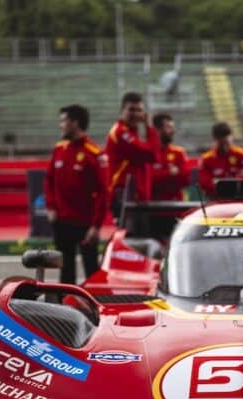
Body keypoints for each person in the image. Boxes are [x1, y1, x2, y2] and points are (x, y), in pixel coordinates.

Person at [44, 104, 107, 284]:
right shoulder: (59, 149)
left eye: (63, 121)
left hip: (86, 225)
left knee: (92, 272)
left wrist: (96, 226)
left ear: (75, 123)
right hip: (61, 222)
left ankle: (95, 310)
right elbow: (48, 180)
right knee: (65, 272)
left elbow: (103, 192)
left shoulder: (94, 153)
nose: (60, 125)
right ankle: (64, 309)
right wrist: (50, 207)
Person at [105, 91, 159, 230]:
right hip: (125, 197)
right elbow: (152, 154)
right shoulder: (120, 132)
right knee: (130, 240)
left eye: (139, 110)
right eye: (131, 109)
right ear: (122, 111)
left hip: (136, 197)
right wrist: (149, 126)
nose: (135, 114)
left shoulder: (132, 133)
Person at [149, 112, 191, 241]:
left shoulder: (179, 153)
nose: (172, 131)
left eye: (172, 127)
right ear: (157, 130)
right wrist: (169, 173)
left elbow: (185, 179)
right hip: (152, 212)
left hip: (176, 210)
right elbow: (149, 180)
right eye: (168, 127)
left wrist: (162, 176)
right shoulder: (148, 152)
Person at [198, 122, 243, 198]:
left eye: (226, 137)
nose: (224, 143)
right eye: (221, 139)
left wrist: (220, 183)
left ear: (231, 137)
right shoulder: (206, 159)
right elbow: (204, 183)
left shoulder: (241, 155)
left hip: (239, 199)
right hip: (216, 200)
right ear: (215, 139)